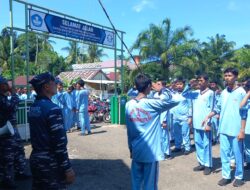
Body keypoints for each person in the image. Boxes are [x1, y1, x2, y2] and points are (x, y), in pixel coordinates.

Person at [125, 73, 181, 190]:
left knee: (136, 182)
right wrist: (163, 89)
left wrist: (130, 147)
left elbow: (129, 131)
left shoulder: (128, 105)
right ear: (149, 87)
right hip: (150, 152)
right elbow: (177, 99)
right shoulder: (152, 103)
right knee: (150, 185)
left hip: (136, 149)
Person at [28, 72, 75, 189]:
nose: (56, 84)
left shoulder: (33, 107)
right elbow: (59, 142)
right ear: (46, 87)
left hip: (36, 159)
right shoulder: (52, 109)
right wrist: (67, 168)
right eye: (54, 82)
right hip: (50, 162)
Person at [203, 68, 246, 187]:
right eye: (225, 75)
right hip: (224, 129)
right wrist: (208, 116)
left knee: (238, 155)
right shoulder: (223, 93)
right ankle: (226, 176)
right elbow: (217, 108)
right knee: (224, 154)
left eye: (230, 75)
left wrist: (242, 130)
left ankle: (239, 177)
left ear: (236, 77)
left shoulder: (241, 92)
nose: (227, 77)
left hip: (236, 130)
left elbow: (244, 113)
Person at [183, 74, 214, 175]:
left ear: (207, 81)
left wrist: (209, 123)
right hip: (196, 124)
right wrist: (189, 85)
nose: (199, 82)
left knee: (206, 145)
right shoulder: (195, 93)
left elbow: (213, 109)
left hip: (205, 124)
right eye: (198, 81)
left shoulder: (210, 93)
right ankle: (201, 163)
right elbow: (184, 94)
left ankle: (208, 165)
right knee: (198, 144)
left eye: (201, 80)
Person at [0, 76, 20, 188]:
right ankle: (7, 182)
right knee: (7, 158)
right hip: (4, 134)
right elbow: (13, 106)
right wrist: (14, 93)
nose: (8, 85)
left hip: (4, 131)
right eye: (5, 84)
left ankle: (5, 179)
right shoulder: (1, 99)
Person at [171, 77, 192, 155]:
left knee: (185, 133)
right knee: (176, 133)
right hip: (175, 118)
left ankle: (187, 148)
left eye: (180, 84)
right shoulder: (174, 94)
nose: (179, 86)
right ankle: (177, 147)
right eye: (177, 84)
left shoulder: (187, 94)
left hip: (184, 118)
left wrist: (190, 117)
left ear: (183, 85)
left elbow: (190, 106)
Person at [240, 80, 250, 169]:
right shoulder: (247, 101)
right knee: (247, 148)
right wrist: (247, 95)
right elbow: (241, 106)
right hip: (247, 129)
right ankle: (249, 162)